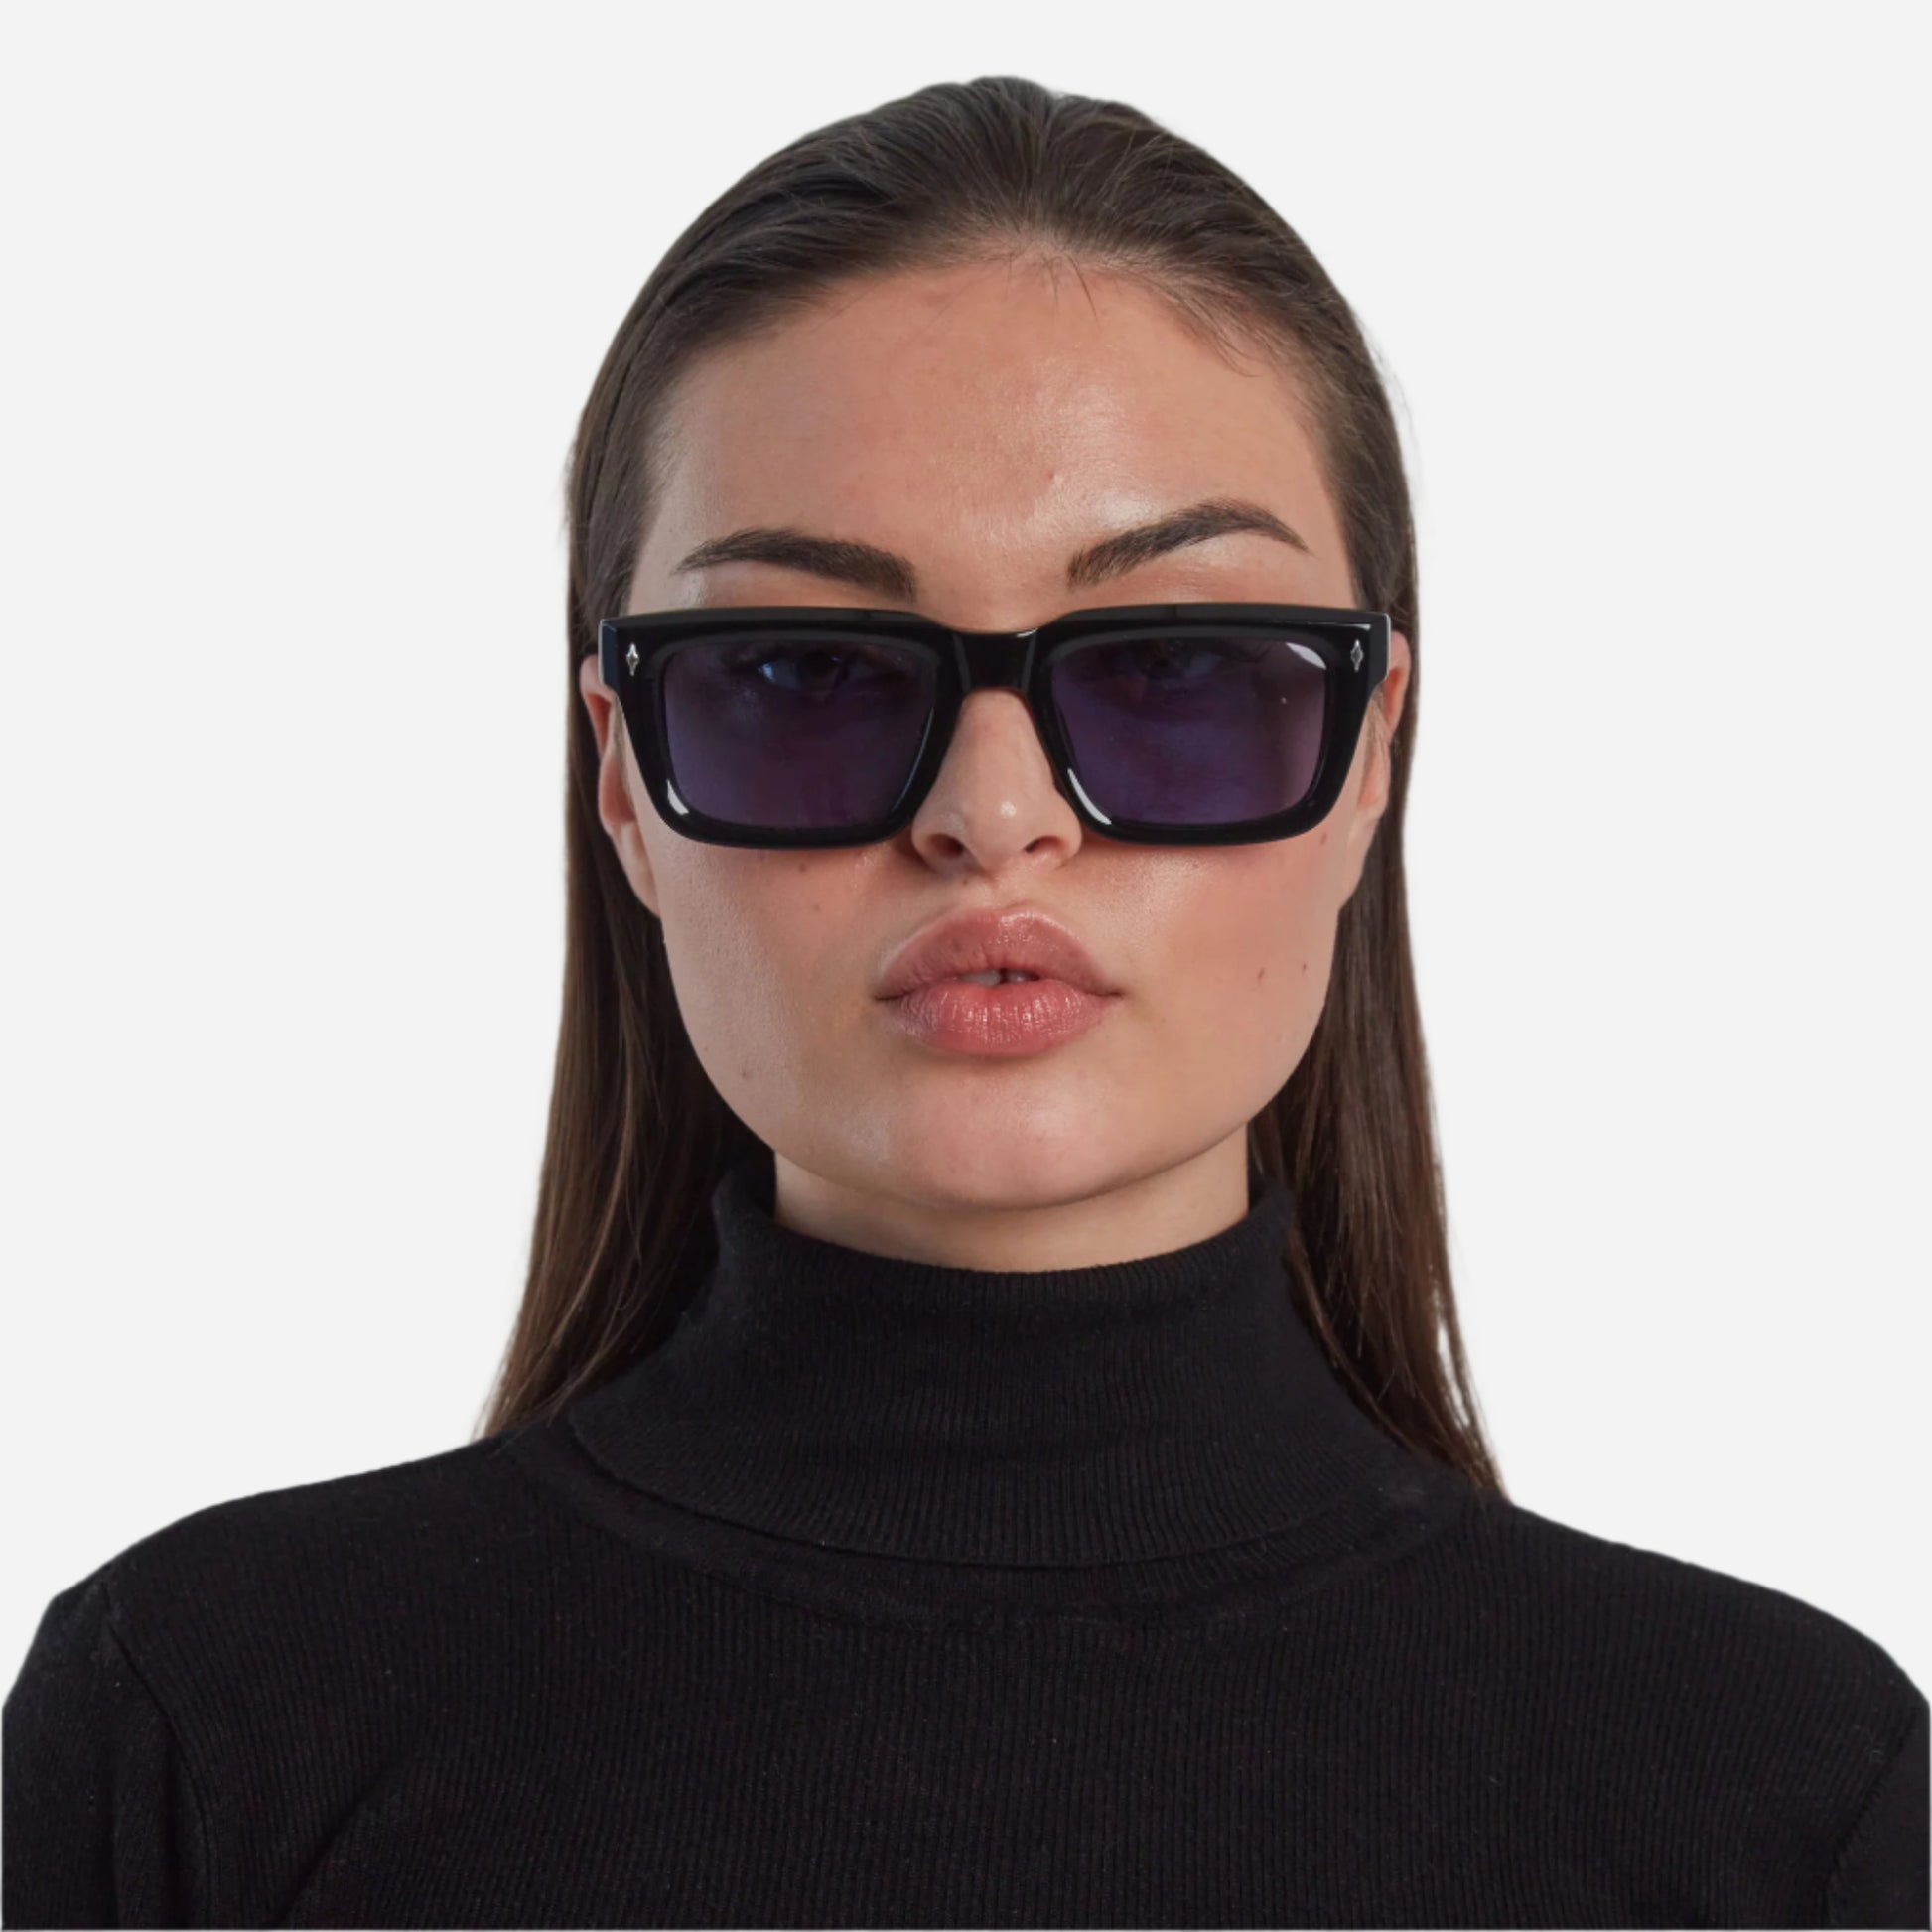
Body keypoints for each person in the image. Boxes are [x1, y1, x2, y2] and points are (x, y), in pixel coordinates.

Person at [5, 74, 1925, 1930]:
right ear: (624, 780)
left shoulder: (1782, 1800)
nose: (990, 817)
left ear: (1370, 756)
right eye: (801, 673)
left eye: (1174, 669)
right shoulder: (202, 1727)